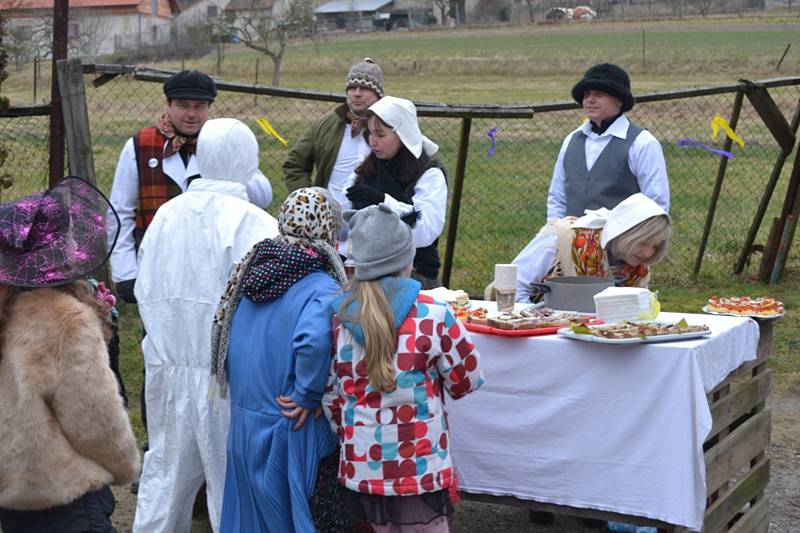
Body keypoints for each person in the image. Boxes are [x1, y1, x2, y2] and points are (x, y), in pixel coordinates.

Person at [132, 119, 279, 533]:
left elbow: (146, 284)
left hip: (167, 364)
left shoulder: (166, 215)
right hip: (226, 375)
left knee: (165, 475)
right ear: (249, 160)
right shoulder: (255, 223)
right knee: (232, 483)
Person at [323, 203, 485, 533]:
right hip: (420, 466)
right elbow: (465, 380)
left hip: (364, 464)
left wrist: (352, 434)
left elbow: (332, 399)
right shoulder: (435, 315)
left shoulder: (341, 319)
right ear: (407, 261)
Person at [0, 177, 140, 533]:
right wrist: (123, 464)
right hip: (67, 498)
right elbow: (93, 417)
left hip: (12, 497)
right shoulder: (66, 320)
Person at [210, 187, 349, 533]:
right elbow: (313, 340)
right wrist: (308, 393)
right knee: (284, 518)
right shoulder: (320, 285)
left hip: (245, 419)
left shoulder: (253, 275)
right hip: (287, 422)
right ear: (327, 230)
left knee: (247, 519)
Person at [341, 96, 448, 289]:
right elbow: (342, 213)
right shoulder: (365, 169)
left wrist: (384, 202)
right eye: (370, 134)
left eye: (380, 135)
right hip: (365, 273)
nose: (372, 142)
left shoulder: (429, 174)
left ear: (403, 135)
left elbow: (425, 230)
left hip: (414, 277)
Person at [546, 63, 670, 220]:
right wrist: (555, 233)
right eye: (587, 94)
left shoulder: (643, 144)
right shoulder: (571, 141)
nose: (590, 100)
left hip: (622, 243)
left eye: (599, 94)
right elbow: (557, 198)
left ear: (619, 100)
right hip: (572, 242)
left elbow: (656, 205)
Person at [513, 192, 672, 303]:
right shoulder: (564, 238)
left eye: (655, 246)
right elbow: (514, 284)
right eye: (643, 243)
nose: (648, 253)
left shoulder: (637, 272)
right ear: (624, 234)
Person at [283, 58, 384, 202]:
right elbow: (295, 164)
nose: (357, 93)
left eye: (365, 88)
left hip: (375, 217)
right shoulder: (325, 125)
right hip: (330, 218)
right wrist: (306, 200)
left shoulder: (391, 127)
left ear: (378, 94)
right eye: (352, 88)